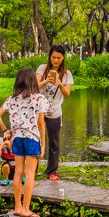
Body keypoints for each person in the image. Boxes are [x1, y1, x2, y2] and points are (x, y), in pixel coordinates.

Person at [0, 68, 48, 217]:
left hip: (17, 139)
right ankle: (26, 209)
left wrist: (6, 130)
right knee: (29, 174)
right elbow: (41, 123)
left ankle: (17, 207)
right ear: (32, 81)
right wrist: (43, 144)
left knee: (18, 173)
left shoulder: (12, 99)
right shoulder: (38, 98)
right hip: (32, 139)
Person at [36, 45, 74, 181]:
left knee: (54, 142)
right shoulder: (42, 68)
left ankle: (52, 170)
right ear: (49, 56)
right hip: (38, 109)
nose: (56, 60)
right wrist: (46, 80)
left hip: (54, 111)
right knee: (35, 139)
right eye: (53, 57)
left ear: (63, 58)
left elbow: (67, 93)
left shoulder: (66, 74)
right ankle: (32, 169)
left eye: (59, 58)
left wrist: (60, 84)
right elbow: (34, 86)